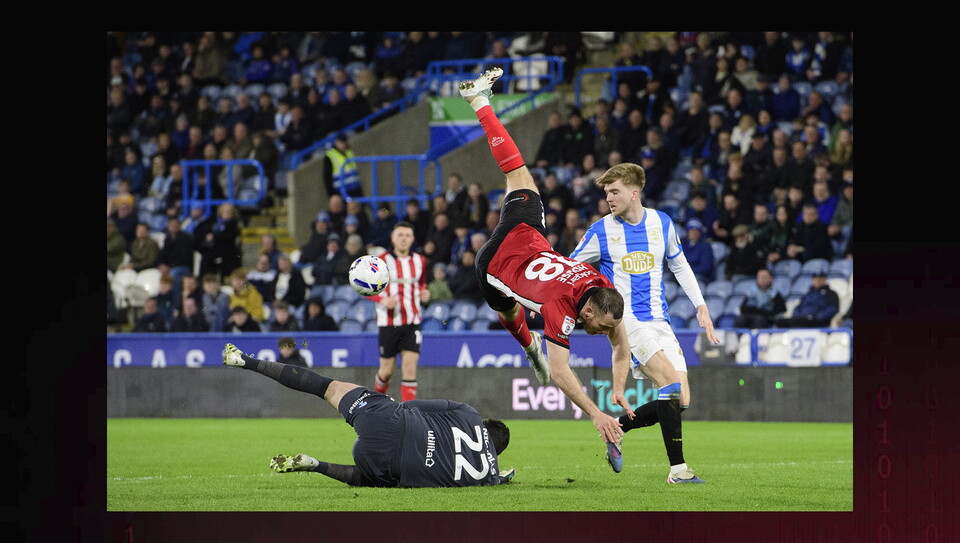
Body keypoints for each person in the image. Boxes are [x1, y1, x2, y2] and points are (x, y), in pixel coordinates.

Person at [460, 68, 639, 463]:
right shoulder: (561, 311)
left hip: (525, 234)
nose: (599, 333)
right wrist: (597, 415)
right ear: (588, 310)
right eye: (599, 326)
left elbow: (620, 342)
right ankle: (530, 348)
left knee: (517, 173)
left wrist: (618, 389)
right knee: (511, 310)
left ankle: (480, 103)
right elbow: (562, 374)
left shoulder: (602, 287)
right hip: (494, 263)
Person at [569, 158, 715, 483]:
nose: (609, 198)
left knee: (681, 399)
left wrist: (700, 305)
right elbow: (570, 268)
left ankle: (616, 429)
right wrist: (548, 299)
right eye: (606, 193)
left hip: (659, 320)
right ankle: (678, 471)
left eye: (614, 192)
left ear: (634, 193)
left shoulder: (662, 223)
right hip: (627, 320)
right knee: (670, 384)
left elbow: (679, 266)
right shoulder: (600, 230)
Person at [220, 343, 514, 488]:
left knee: (327, 387)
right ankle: (316, 465)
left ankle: (245, 361)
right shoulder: (488, 477)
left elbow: (416, 406)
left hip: (388, 420)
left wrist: (384, 406)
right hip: (384, 464)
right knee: (371, 479)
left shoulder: (470, 415)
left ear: (485, 424)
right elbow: (497, 475)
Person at [367, 222, 430, 402]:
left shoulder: (420, 261)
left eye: (407, 235)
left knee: (410, 368)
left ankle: (408, 415)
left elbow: (422, 283)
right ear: (393, 238)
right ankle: (376, 404)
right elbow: (366, 288)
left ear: (413, 239)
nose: (404, 239)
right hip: (388, 322)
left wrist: (424, 292)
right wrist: (382, 299)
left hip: (412, 322)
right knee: (386, 372)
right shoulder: (381, 261)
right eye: (400, 235)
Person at [322, 134, 363, 199]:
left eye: (344, 142)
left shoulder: (349, 152)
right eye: (341, 142)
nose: (343, 144)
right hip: (341, 192)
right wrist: (332, 195)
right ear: (336, 142)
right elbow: (327, 177)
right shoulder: (330, 155)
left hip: (355, 189)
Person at [682, 218, 715, 283]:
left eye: (696, 231)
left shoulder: (705, 247)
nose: (693, 233)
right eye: (691, 231)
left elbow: (705, 267)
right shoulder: (683, 246)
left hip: (700, 276)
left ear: (700, 233)